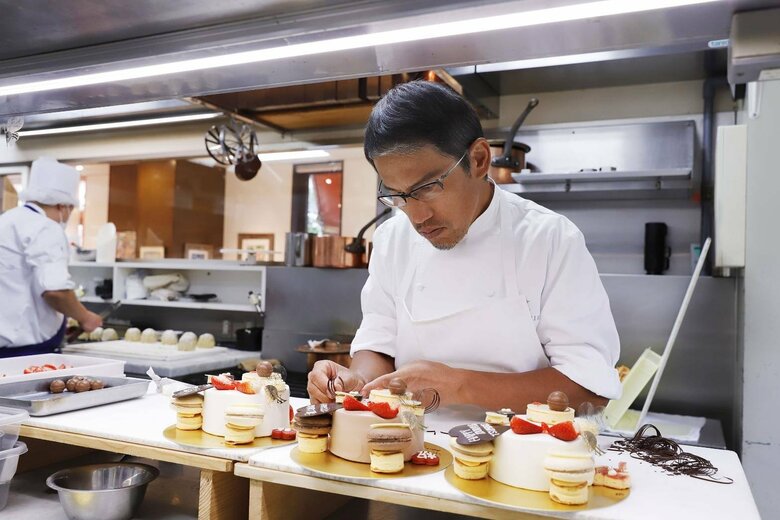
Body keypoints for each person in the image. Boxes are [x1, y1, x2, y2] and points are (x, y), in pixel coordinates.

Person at [307, 81, 621, 412]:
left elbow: (589, 389)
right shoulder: (392, 239)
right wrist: (357, 381)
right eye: (398, 196)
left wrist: (457, 384)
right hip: (411, 449)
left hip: (524, 451)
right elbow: (379, 342)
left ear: (479, 159)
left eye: (428, 188)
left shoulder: (550, 239)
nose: (418, 217)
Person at [0, 157, 102, 357]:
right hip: (25, 352)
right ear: (62, 206)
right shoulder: (46, 228)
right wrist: (86, 317)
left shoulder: (6, 221)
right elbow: (56, 292)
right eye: (70, 209)